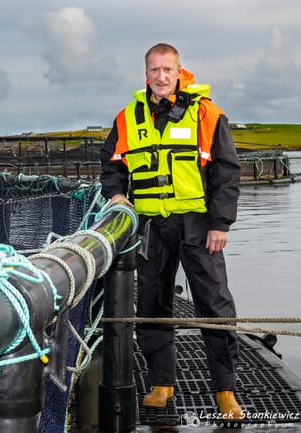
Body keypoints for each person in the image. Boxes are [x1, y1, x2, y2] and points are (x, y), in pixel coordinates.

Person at [99, 43, 244, 419]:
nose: (161, 77)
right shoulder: (126, 118)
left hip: (198, 225)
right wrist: (116, 194)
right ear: (145, 74)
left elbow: (227, 171)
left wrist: (220, 222)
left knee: (214, 304)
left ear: (180, 71)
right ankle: (162, 383)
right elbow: (112, 163)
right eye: (154, 70)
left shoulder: (205, 113)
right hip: (148, 226)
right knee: (151, 305)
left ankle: (225, 391)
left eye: (167, 69)